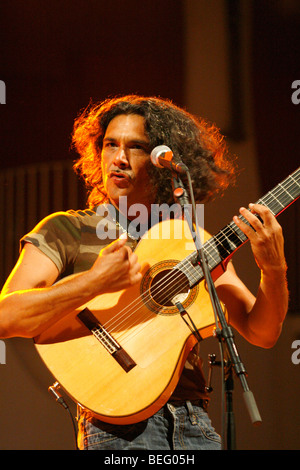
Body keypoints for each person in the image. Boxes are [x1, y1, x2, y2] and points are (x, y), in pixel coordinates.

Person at [0, 95, 288, 450]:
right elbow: (6, 317)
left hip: (194, 422)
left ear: (165, 162)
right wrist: (95, 281)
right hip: (116, 428)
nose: (118, 159)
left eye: (135, 147)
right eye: (109, 145)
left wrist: (273, 270)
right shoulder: (67, 230)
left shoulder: (190, 240)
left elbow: (261, 331)